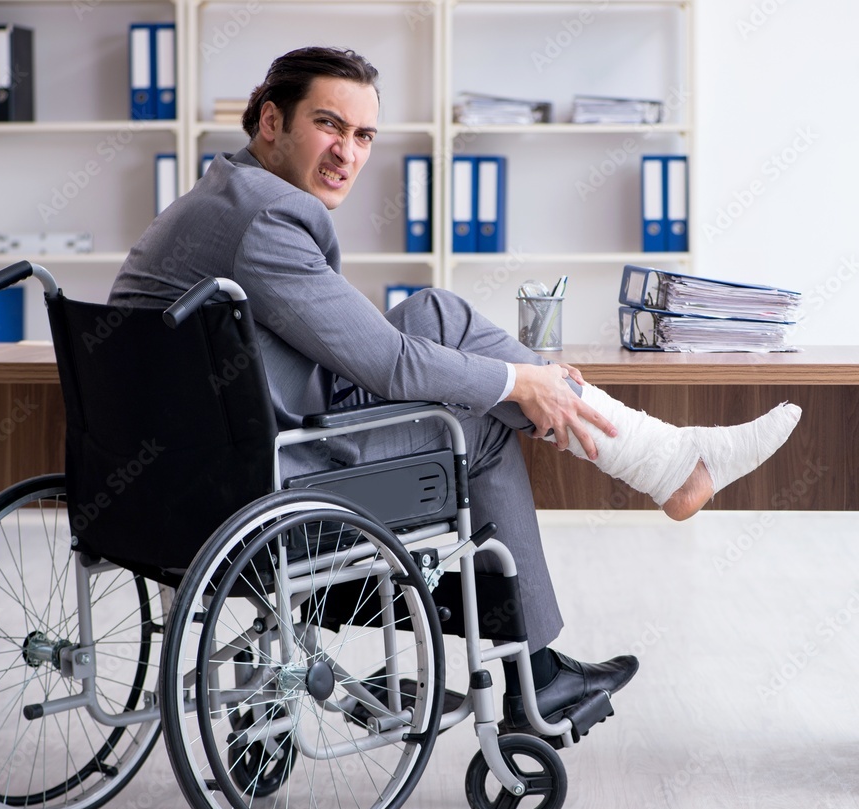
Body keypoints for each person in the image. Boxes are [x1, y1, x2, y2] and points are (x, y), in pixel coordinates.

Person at [108, 47, 800, 733]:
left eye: (363, 135)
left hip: (173, 484)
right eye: (329, 125)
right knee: (484, 422)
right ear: (269, 121)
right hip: (266, 486)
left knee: (436, 316)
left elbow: (355, 350)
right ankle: (552, 655)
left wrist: (521, 378)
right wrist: (523, 380)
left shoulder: (215, 197)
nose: (346, 152)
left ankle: (666, 463)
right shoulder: (268, 220)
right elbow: (385, 364)